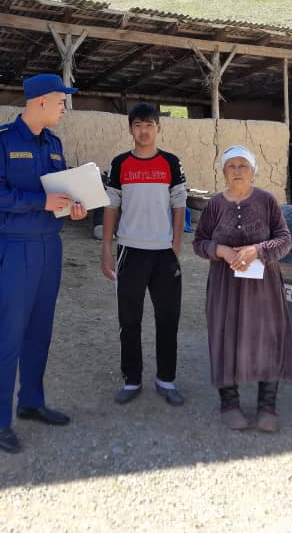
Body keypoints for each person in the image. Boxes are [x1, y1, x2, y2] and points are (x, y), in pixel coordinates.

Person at [0, 73, 88, 454]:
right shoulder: (0, 140)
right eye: (61, 101)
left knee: (40, 331)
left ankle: (31, 401)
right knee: (9, 334)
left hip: (49, 247)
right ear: (40, 101)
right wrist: (40, 202)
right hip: (14, 248)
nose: (64, 108)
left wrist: (73, 207)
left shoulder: (53, 144)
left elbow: (61, 192)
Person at [192, 145, 292, 432]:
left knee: (268, 339)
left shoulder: (267, 201)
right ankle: (229, 404)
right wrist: (220, 251)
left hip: (263, 286)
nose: (237, 171)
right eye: (231, 166)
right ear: (223, 172)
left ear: (253, 171)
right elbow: (199, 243)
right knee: (225, 338)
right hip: (225, 286)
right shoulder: (214, 205)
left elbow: (285, 240)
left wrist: (257, 250)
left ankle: (267, 406)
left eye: (243, 166)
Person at [101, 103, 188, 406]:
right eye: (138, 125)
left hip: (164, 254)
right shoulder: (120, 163)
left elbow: (179, 204)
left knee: (168, 318)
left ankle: (166, 379)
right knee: (129, 319)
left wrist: (176, 244)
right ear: (130, 129)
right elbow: (111, 206)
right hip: (130, 251)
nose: (143, 131)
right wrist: (106, 248)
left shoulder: (171, 163)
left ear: (158, 128)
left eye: (149, 125)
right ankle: (132, 380)